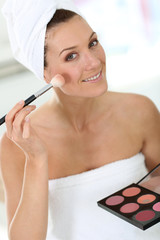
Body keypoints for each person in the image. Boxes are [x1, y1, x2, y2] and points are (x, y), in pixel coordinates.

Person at [0, 1, 160, 240]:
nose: (94, 62)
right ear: (45, 73)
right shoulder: (18, 143)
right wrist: (36, 159)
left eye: (93, 43)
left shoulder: (139, 109)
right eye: (71, 56)